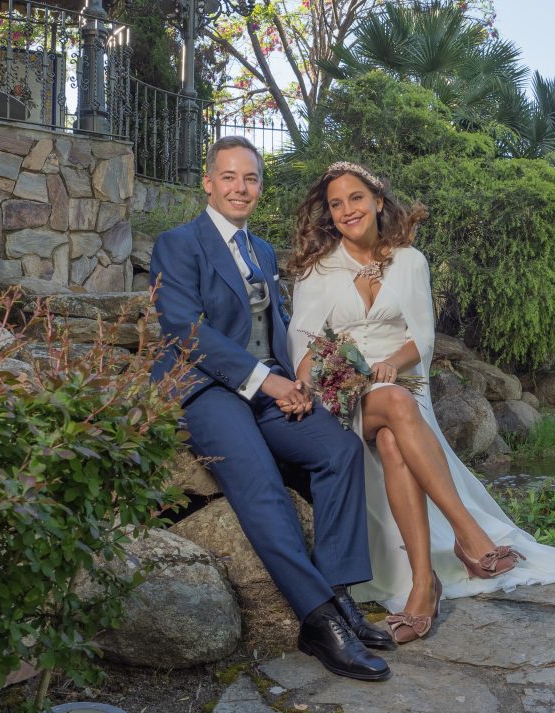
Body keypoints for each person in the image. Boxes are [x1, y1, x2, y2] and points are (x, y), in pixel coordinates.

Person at [286, 162, 555, 645]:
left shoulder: (409, 261)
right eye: (337, 204)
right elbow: (302, 345)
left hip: (400, 385)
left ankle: (423, 584)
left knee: (392, 438)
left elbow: (421, 339)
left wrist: (389, 363)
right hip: (341, 392)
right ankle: (469, 535)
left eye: (356, 198)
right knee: (393, 412)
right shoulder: (321, 268)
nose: (347, 210)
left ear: (378, 201)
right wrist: (314, 383)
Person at [150, 138, 395, 682]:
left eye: (252, 179)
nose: (241, 188)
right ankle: (316, 620)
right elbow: (186, 330)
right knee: (259, 479)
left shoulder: (260, 251)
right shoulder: (177, 243)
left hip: (269, 387)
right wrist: (268, 382)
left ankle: (338, 592)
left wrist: (299, 380)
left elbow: (276, 326)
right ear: (208, 183)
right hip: (206, 389)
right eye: (230, 177)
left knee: (339, 450)